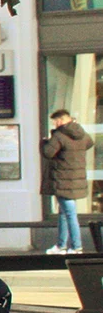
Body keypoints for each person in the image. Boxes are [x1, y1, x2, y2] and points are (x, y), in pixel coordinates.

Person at [45, 109, 93, 254]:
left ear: (60, 120)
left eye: (55, 121)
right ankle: (61, 245)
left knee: (70, 214)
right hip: (75, 179)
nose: (54, 124)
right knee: (64, 213)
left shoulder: (59, 135)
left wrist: (45, 141)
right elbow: (89, 143)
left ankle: (76, 246)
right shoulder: (81, 134)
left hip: (63, 180)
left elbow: (48, 152)